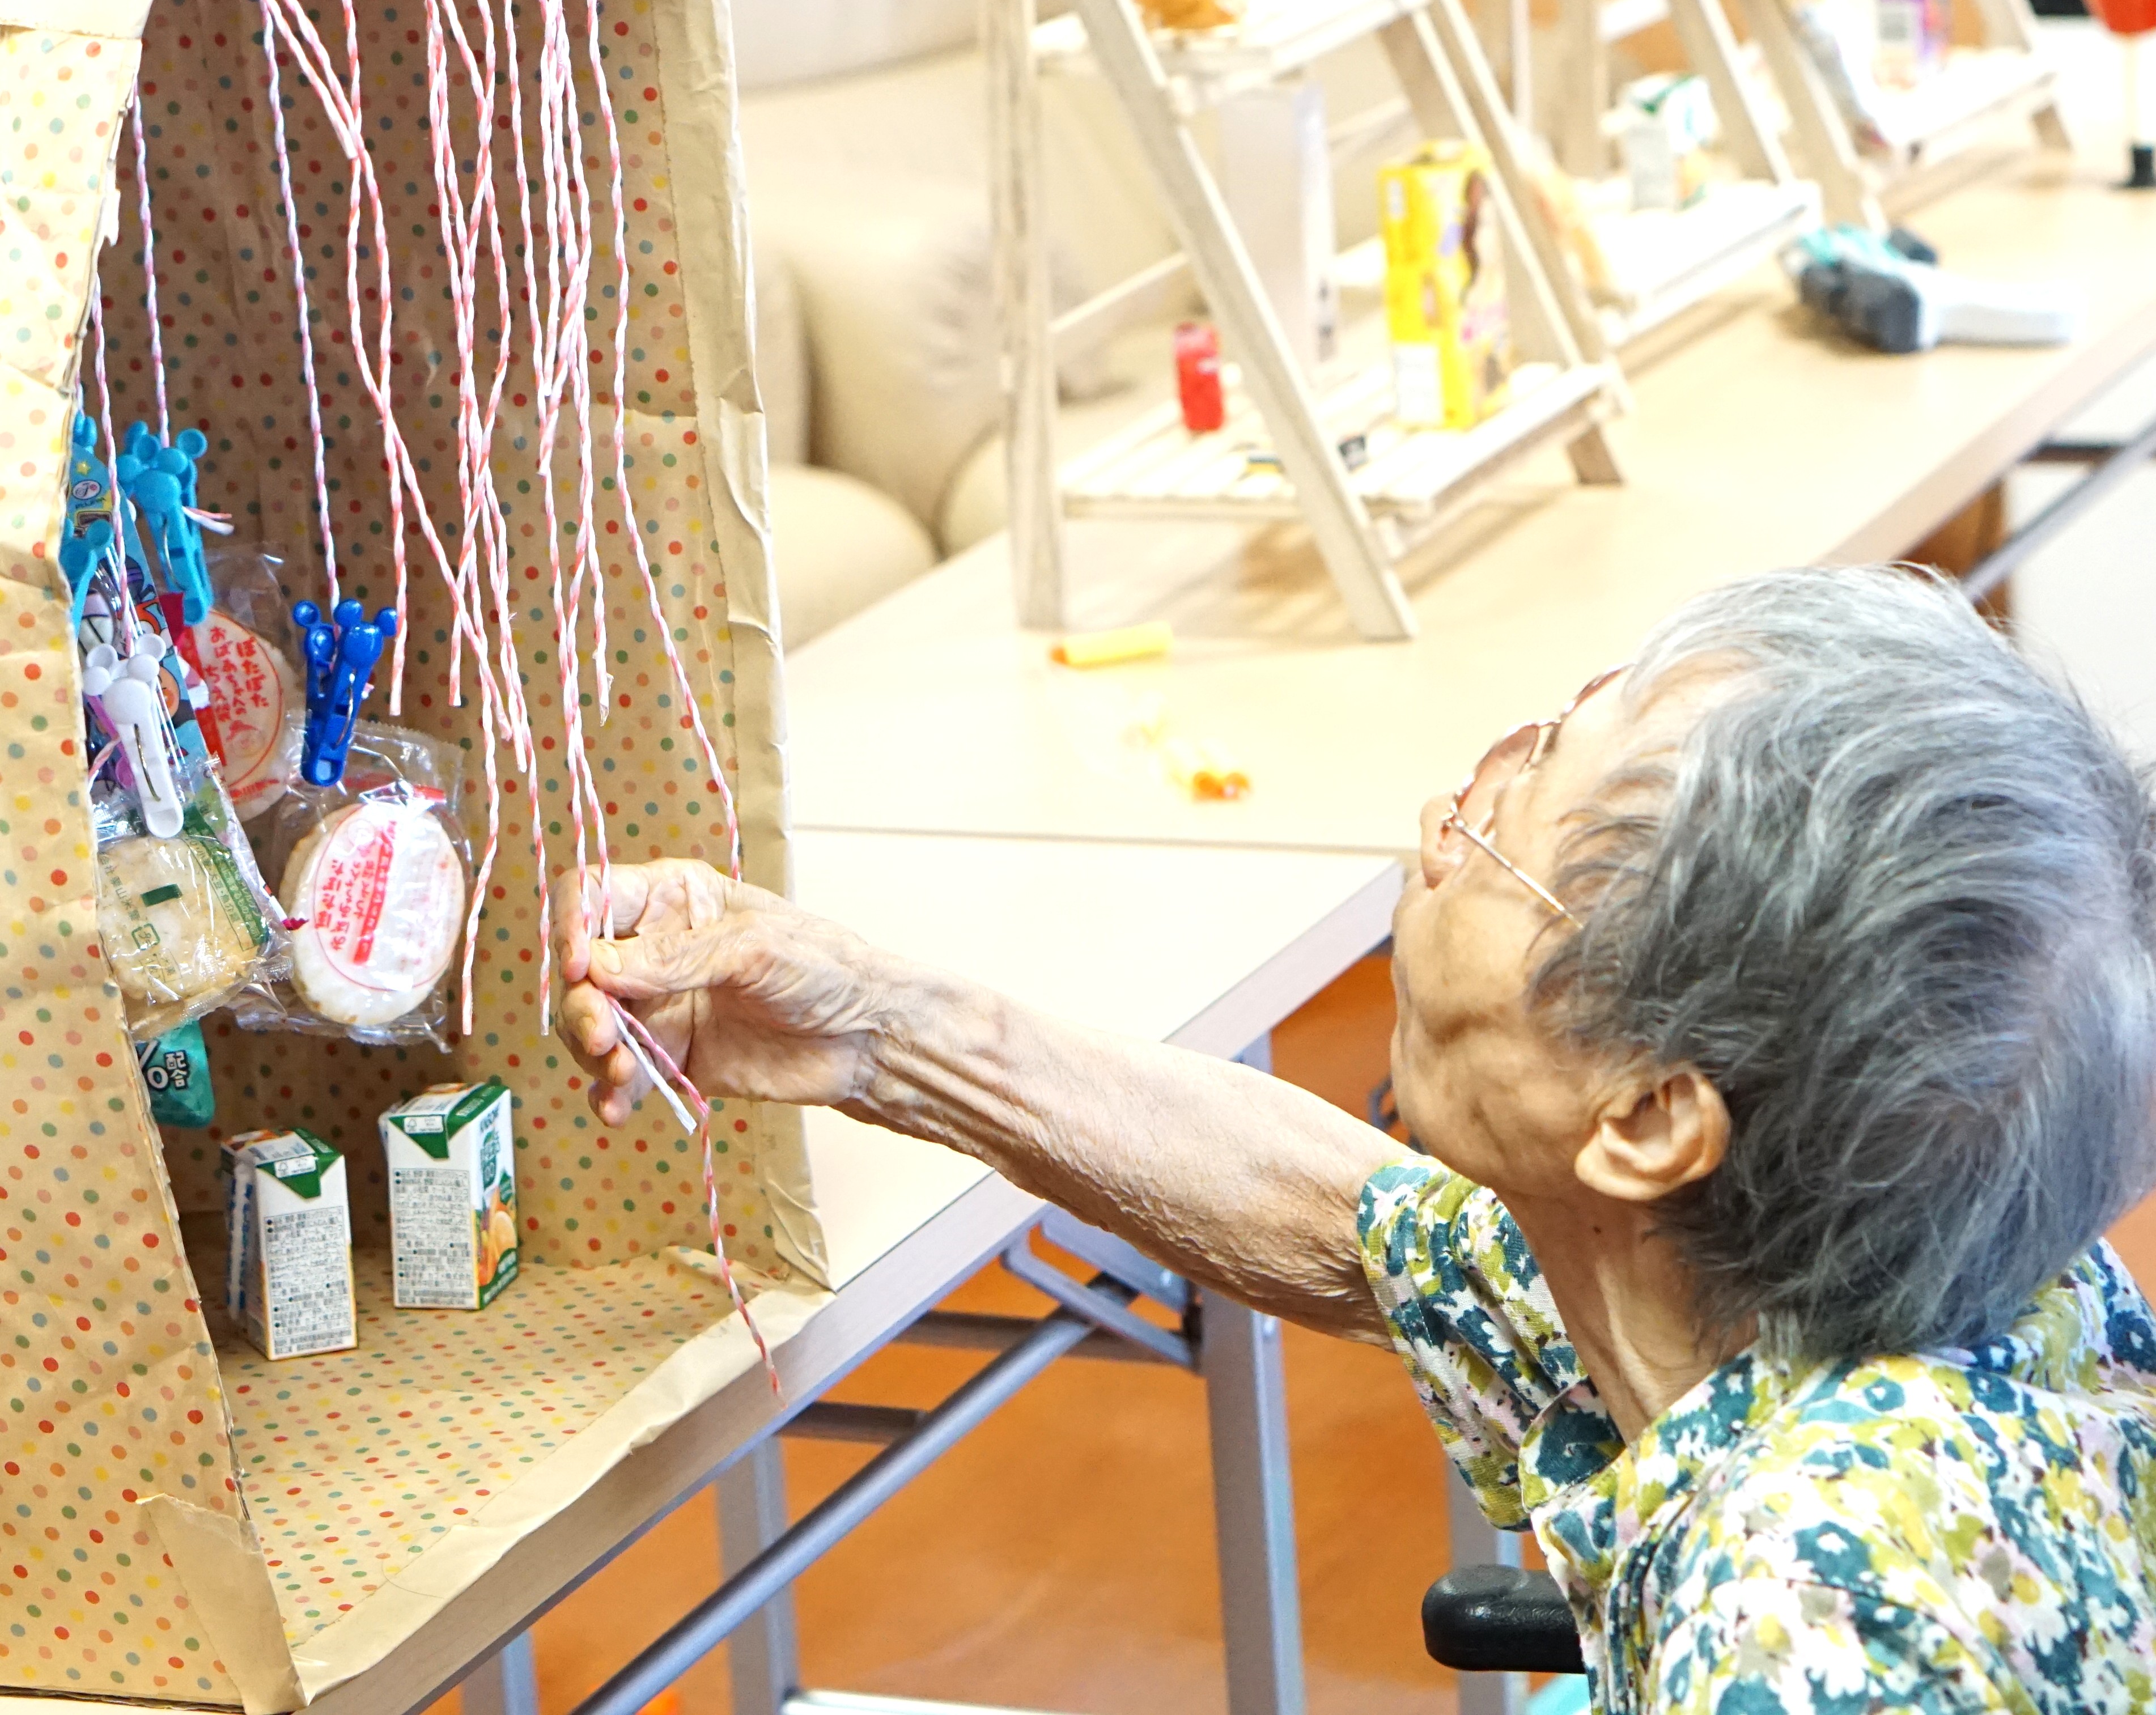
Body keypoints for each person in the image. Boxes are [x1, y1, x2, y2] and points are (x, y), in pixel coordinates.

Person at [555, 567, 2156, 1712]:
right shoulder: (1897, 1254)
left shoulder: (1800, 1628)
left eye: (1500, 827)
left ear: (1649, 1114)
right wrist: (871, 1024)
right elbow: (1354, 1218)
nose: (1436, 830)